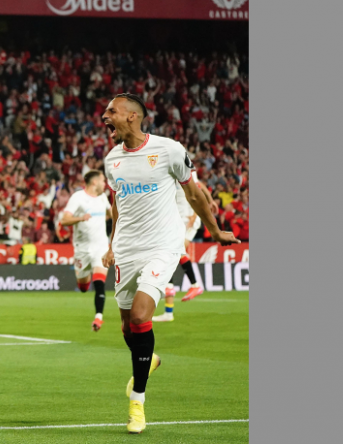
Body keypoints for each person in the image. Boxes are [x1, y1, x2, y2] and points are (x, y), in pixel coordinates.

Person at [101, 93, 239, 434]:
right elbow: (117, 206)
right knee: (128, 329)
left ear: (132, 116)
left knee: (140, 315)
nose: (105, 116)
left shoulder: (169, 150)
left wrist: (214, 230)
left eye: (111, 111)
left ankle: (137, 402)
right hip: (126, 249)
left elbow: (194, 193)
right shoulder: (111, 159)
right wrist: (112, 245)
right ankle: (148, 360)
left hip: (162, 246)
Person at [154, 170, 216, 322]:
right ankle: (168, 309)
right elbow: (200, 185)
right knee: (171, 254)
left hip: (187, 219)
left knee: (175, 251)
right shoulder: (173, 171)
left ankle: (194, 285)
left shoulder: (184, 168)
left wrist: (195, 216)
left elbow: (197, 192)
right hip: (178, 219)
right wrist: (211, 200)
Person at [59, 170, 112, 331]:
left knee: (99, 282)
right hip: (82, 249)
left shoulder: (103, 198)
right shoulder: (78, 198)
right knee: (83, 287)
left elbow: (111, 213)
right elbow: (64, 220)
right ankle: (84, 280)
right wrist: (81, 218)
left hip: (101, 247)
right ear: (94, 182)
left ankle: (98, 318)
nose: (105, 184)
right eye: (103, 181)